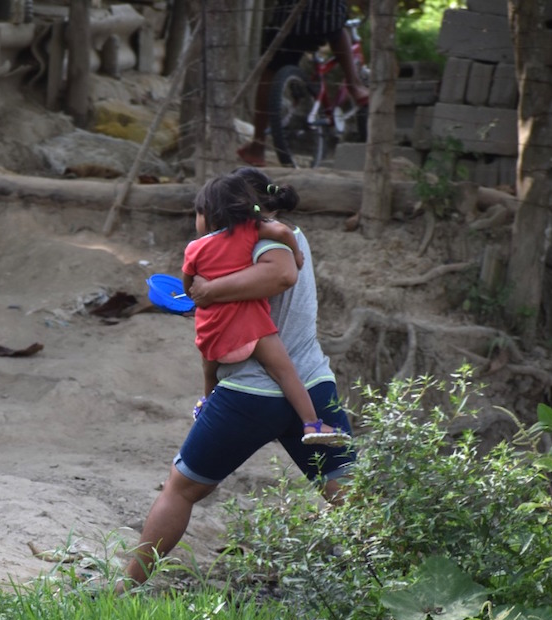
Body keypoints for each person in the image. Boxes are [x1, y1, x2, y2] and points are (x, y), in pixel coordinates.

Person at [121, 166, 357, 590]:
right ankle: (395, 584)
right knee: (344, 492)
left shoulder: (263, 238)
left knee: (180, 490)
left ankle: (121, 590)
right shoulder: (283, 236)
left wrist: (208, 293)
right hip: (313, 384)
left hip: (251, 393)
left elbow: (281, 275)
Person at [183, 173, 348, 446]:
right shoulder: (266, 233)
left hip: (228, 349)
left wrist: (200, 293)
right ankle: (311, 423)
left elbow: (190, 283)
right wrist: (296, 254)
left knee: (208, 360)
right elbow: (283, 238)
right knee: (285, 372)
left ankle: (207, 402)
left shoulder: (199, 246)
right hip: (278, 349)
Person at [237, 0, 370, 167]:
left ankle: (258, 145)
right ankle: (354, 84)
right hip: (327, 17)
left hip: (290, 19)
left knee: (270, 71)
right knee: (338, 27)